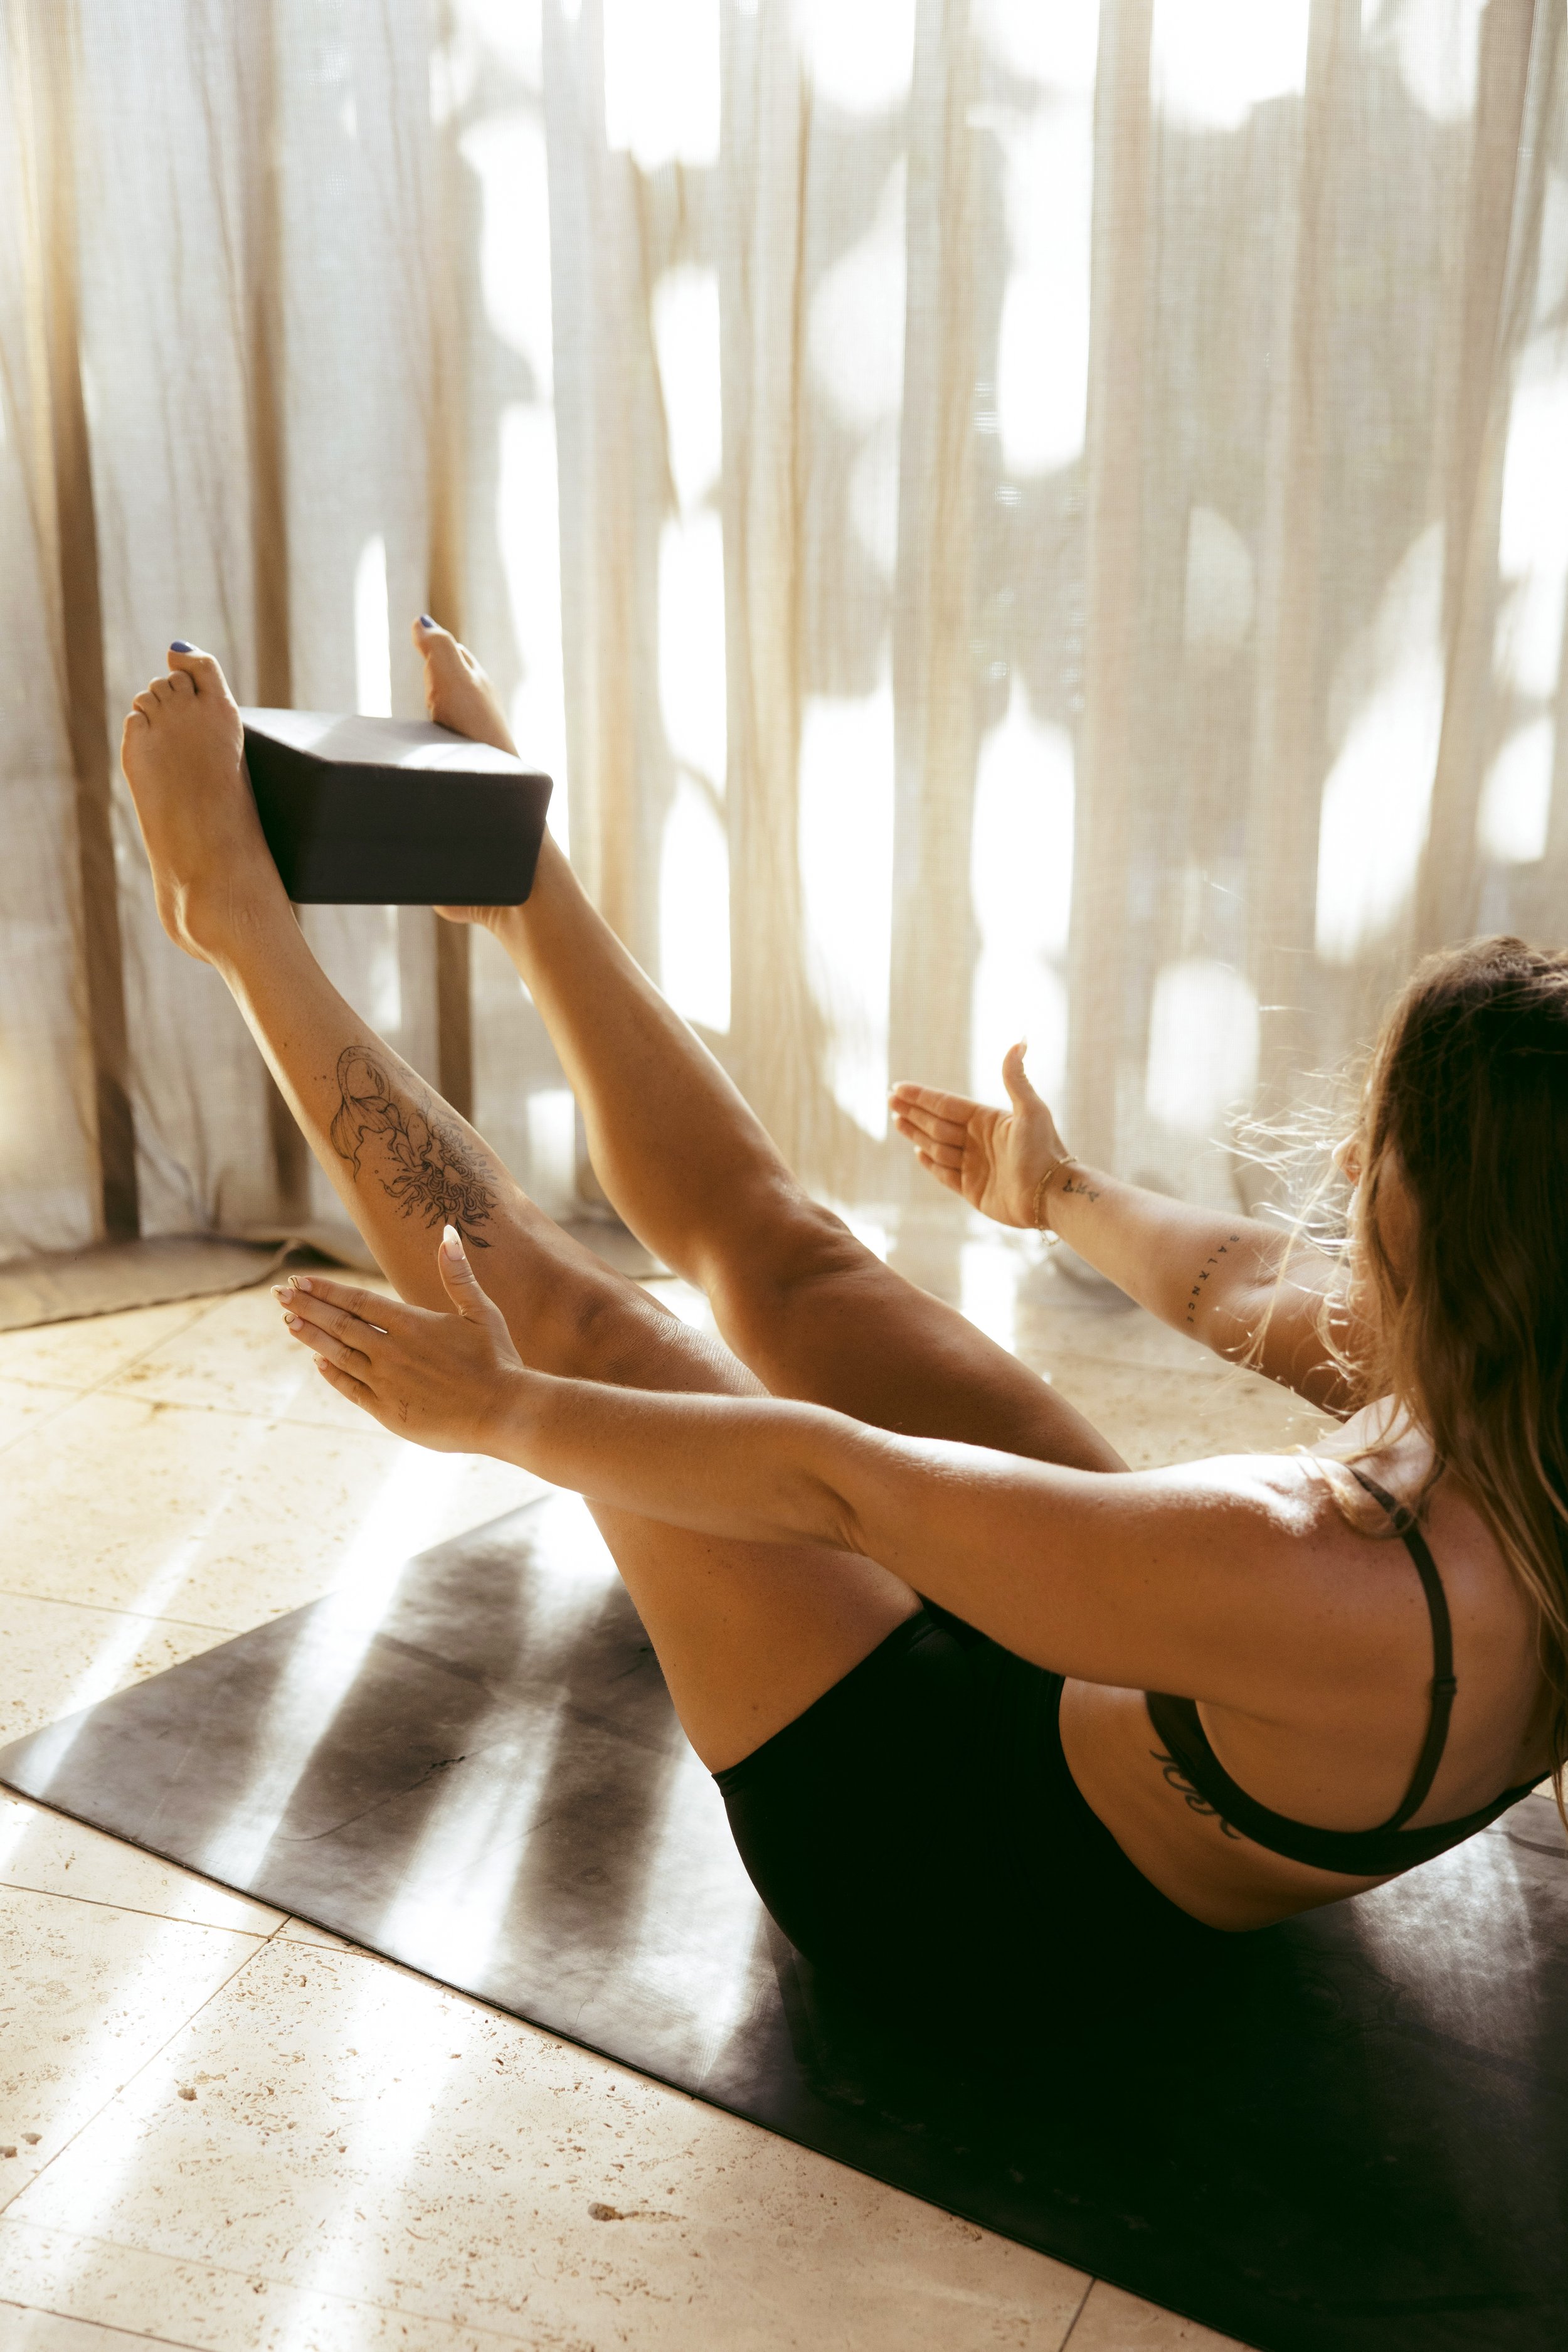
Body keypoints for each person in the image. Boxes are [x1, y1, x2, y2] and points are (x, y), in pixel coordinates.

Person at [119, 630, 1562, 2002]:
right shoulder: (1523, 1378)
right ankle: (519, 885)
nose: (1336, 1167)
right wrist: (1051, 1190)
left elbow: (839, 1489)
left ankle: (233, 921)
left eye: (1376, 1156)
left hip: (949, 1867)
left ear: (1452, 1231)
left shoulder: (1312, 1560)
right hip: (1167, 1690)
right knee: (800, 1261)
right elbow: (1246, 1288)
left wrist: (503, 1410)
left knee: (599, 1340)